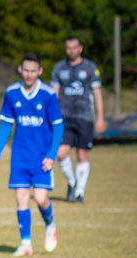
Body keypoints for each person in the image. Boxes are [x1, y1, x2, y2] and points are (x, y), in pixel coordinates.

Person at [0, 53, 63, 257]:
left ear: (39, 71)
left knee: (40, 199)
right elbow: (5, 124)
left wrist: (52, 154)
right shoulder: (12, 92)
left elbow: (58, 126)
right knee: (21, 197)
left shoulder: (47, 94)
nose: (29, 74)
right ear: (20, 69)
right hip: (19, 157)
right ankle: (26, 243)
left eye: (33, 71)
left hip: (41, 158)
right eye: (25, 70)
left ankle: (50, 223)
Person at [50, 36, 105, 203]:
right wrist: (50, 117)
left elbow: (97, 94)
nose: (71, 51)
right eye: (68, 48)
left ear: (80, 48)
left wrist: (100, 117)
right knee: (60, 153)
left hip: (84, 117)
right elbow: (53, 94)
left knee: (82, 154)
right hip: (64, 117)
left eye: (74, 47)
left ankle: (80, 192)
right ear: (65, 49)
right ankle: (73, 183)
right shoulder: (59, 68)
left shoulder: (90, 67)